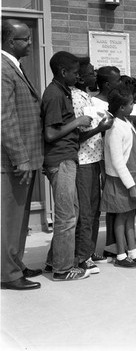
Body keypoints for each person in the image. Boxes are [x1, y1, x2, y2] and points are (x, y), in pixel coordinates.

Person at [41, 51, 93, 281]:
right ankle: (62, 270)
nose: (77, 77)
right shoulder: (54, 94)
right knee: (66, 217)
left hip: (67, 158)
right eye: (74, 73)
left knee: (70, 213)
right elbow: (50, 134)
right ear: (63, 72)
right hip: (60, 159)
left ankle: (54, 262)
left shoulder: (62, 92)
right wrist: (79, 122)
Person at [1, 19, 44, 290]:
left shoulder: (14, 66)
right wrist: (20, 158)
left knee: (20, 218)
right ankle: (7, 274)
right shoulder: (2, 69)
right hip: (13, 161)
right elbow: (5, 119)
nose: (30, 43)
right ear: (8, 41)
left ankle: (15, 264)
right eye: (25, 39)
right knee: (10, 219)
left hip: (24, 158)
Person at [100, 84, 136, 268]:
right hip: (121, 180)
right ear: (121, 108)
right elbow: (118, 161)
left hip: (128, 177)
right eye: (131, 103)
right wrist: (131, 186)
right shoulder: (115, 128)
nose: (133, 106)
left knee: (130, 214)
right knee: (121, 216)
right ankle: (120, 254)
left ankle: (133, 251)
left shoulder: (125, 122)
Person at [72, 57, 114, 274]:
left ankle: (89, 250)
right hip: (83, 161)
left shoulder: (86, 97)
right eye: (90, 73)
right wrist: (101, 128)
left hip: (94, 159)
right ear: (79, 76)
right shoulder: (76, 99)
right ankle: (82, 256)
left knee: (94, 209)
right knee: (86, 212)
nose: (94, 75)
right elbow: (78, 135)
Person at [91, 66, 121, 258]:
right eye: (117, 81)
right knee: (106, 201)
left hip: (116, 156)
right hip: (99, 157)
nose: (120, 83)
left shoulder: (116, 102)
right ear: (108, 84)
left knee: (116, 200)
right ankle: (100, 246)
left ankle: (114, 241)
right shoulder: (94, 103)